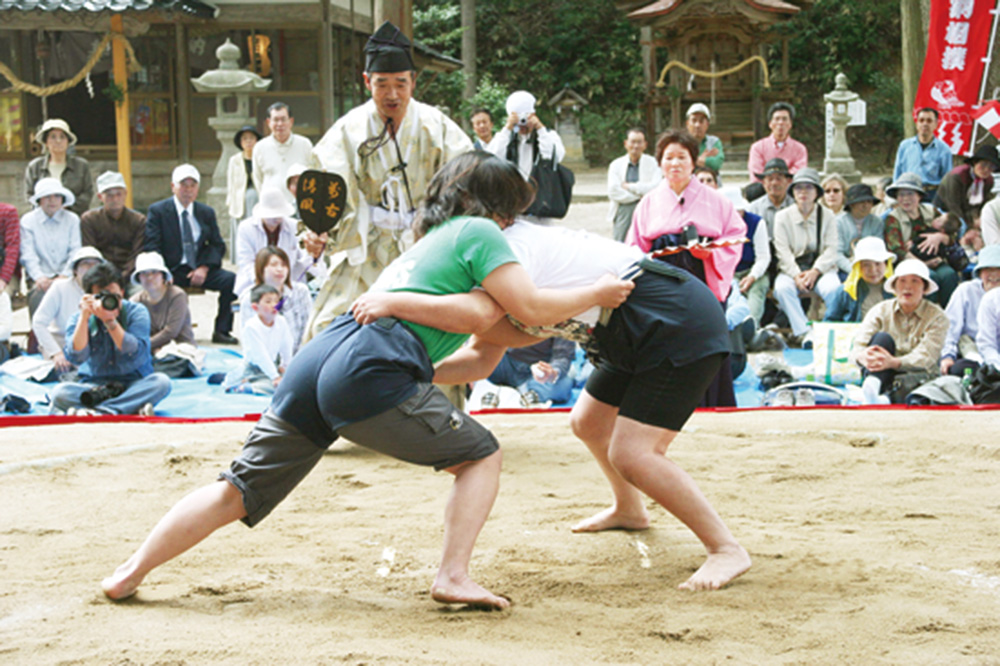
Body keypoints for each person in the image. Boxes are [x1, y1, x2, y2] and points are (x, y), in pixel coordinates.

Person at [100, 151, 632, 609]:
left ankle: (129, 571)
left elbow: (480, 356)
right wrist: (597, 294)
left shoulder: (428, 245)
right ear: (495, 207)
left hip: (325, 356)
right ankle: (452, 575)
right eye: (512, 210)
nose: (515, 222)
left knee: (235, 490)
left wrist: (427, 363)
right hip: (373, 362)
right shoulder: (481, 232)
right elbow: (518, 308)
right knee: (482, 455)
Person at [355, 158, 750, 591]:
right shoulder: (485, 259)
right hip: (620, 333)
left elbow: (527, 311)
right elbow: (482, 358)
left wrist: (394, 306)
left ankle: (725, 548)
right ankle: (630, 509)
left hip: (670, 317)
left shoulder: (509, 247)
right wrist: (416, 373)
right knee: (589, 423)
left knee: (634, 453)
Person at [305, 20, 473, 342]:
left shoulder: (437, 126)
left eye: (400, 83)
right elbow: (325, 184)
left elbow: (469, 176)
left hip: (425, 241)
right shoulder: (348, 130)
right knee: (327, 329)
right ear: (367, 81)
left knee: (435, 331)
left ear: (413, 81)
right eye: (382, 84)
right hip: (367, 241)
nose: (392, 94)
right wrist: (317, 230)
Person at [627, 129, 745, 406]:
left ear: (693, 161)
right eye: (669, 158)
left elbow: (736, 235)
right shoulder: (648, 202)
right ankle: (663, 405)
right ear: (660, 163)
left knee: (705, 340)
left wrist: (711, 253)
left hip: (702, 273)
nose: (675, 163)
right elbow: (634, 247)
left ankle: (709, 402)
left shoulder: (716, 200)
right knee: (663, 340)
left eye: (682, 157)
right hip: (661, 276)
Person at [50, 261, 171, 416]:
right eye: (101, 297)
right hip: (95, 385)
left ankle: (100, 411)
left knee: (161, 383)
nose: (109, 302)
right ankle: (129, 408)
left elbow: (135, 352)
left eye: (114, 296)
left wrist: (110, 322)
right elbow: (77, 356)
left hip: (133, 382)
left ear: (122, 292)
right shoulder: (79, 318)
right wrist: (84, 318)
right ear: (88, 297)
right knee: (60, 393)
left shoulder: (136, 312)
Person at [144, 164, 237, 344]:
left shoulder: (205, 212)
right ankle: (167, 331)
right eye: (183, 185)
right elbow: (152, 245)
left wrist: (204, 267)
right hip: (172, 269)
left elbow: (217, 245)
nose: (188, 190)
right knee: (157, 285)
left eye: (192, 185)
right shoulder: (158, 211)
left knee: (231, 280)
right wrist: (162, 272)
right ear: (173, 186)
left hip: (199, 268)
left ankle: (222, 330)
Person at [850, 259, 948, 404]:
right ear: (895, 287)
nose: (908, 287)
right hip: (881, 372)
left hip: (917, 375)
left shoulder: (937, 316)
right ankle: (872, 386)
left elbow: (927, 356)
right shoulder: (880, 310)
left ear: (924, 288)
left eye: (915, 281)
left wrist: (894, 362)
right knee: (882, 339)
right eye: (902, 281)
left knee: (918, 388)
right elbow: (858, 345)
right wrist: (862, 357)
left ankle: (884, 399)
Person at [772, 167, 840, 346]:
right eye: (798, 188)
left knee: (834, 289)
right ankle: (804, 331)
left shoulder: (827, 215)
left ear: (816, 192)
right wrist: (796, 275)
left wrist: (815, 271)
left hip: (821, 268)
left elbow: (831, 249)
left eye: (809, 187)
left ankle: (829, 330)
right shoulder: (782, 217)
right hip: (793, 269)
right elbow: (782, 251)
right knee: (782, 288)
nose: (803, 192)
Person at [883, 172, 960, 306]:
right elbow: (896, 249)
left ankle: (948, 313)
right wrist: (922, 264)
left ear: (919, 196)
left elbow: (952, 232)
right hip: (909, 262)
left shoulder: (931, 211)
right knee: (929, 277)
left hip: (935, 258)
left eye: (910, 194)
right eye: (901, 195)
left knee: (949, 275)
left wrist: (940, 237)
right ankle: (924, 313)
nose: (905, 199)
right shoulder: (893, 218)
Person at [234, 187, 324, 296]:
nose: (276, 218)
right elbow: (246, 262)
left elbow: (308, 260)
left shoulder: (295, 227)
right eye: (272, 215)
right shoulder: (246, 228)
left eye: (279, 214)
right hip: (255, 283)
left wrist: (315, 254)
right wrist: (264, 283)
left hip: (290, 285)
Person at [32, 246, 103, 374]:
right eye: (85, 264)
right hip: (60, 341)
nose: (91, 268)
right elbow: (39, 322)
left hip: (92, 344)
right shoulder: (60, 287)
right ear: (75, 270)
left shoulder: (105, 289)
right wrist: (56, 353)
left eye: (95, 264)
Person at [19, 177, 81, 318]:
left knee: (72, 301)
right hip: (39, 277)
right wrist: (40, 277)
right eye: (47, 196)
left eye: (57, 196)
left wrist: (65, 275)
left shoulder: (72, 219)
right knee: (38, 298)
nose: (52, 200)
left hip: (68, 275)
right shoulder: (28, 221)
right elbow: (28, 254)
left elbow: (75, 251)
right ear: (39, 200)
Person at [239, 246, 312, 354]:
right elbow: (249, 341)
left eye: (284, 265)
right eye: (273, 265)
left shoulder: (300, 291)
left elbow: (307, 330)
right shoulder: (249, 297)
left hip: (298, 356)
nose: (280, 269)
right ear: (261, 269)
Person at [80, 171, 146, 291]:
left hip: (130, 277)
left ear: (125, 194)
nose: (115, 199)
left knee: (141, 291)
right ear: (100, 197)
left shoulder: (138, 220)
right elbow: (91, 253)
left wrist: (123, 276)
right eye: (109, 195)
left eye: (118, 194)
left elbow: (137, 254)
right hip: (99, 276)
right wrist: (107, 277)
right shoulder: (89, 220)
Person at [940, 245, 1000, 376]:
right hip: (972, 351)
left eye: (998, 269)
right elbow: (950, 327)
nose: (994, 275)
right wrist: (947, 355)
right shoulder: (966, 291)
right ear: (980, 273)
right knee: (959, 369)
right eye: (988, 269)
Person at [224, 284, 293, 396]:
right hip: (253, 370)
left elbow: (287, 345)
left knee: (294, 383)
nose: (274, 305)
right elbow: (260, 355)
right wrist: (275, 377)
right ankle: (245, 386)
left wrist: (285, 365)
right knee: (278, 388)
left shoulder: (282, 321)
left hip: (273, 365)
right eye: (268, 302)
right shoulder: (251, 327)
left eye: (276, 301)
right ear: (255, 307)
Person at [488, 90, 566, 184]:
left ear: (534, 115)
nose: (522, 125)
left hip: (540, 188)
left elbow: (553, 156)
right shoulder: (505, 138)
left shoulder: (548, 135)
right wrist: (507, 128)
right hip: (513, 188)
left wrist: (540, 128)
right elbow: (492, 158)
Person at [933, 144, 999, 250]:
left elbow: (984, 204)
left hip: (968, 213)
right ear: (975, 163)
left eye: (991, 167)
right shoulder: (956, 176)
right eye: (983, 165)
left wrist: (979, 220)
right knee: (961, 227)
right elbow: (953, 206)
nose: (986, 170)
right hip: (945, 212)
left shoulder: (988, 181)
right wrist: (970, 228)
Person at [24, 118, 94, 217]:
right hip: (43, 218)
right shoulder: (35, 167)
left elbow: (88, 193)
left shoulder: (81, 166)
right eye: (53, 137)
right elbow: (29, 195)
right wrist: (47, 207)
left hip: (74, 217)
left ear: (68, 142)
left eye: (62, 137)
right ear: (46, 142)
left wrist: (66, 205)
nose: (58, 141)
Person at [481, 337, 577, 407]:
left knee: (563, 385)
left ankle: (525, 394)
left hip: (540, 373)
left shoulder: (562, 319)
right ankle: (522, 394)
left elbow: (563, 357)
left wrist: (552, 373)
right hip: (507, 363)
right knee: (481, 363)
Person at [130, 251, 195, 356]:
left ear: (163, 275)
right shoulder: (135, 301)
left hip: (180, 349)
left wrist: (143, 345)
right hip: (149, 351)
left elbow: (171, 331)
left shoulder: (177, 296)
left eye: (154, 272)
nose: (149, 277)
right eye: (144, 273)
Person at [606, 127, 661, 242]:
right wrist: (640, 196)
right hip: (623, 210)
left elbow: (656, 188)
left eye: (639, 142)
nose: (636, 146)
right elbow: (613, 191)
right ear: (626, 144)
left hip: (647, 209)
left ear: (645, 145)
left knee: (647, 243)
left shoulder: (654, 163)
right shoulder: (616, 165)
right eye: (633, 142)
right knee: (620, 244)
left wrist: (631, 187)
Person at [252, 103, 313, 206]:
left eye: (283, 119)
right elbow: (258, 179)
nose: (280, 124)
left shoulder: (305, 144)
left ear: (291, 121)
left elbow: (312, 174)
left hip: (300, 205)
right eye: (275, 120)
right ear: (268, 122)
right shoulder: (260, 147)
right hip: (271, 207)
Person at [825, 236, 893, 323]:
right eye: (866, 265)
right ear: (858, 267)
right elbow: (829, 322)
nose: (873, 270)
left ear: (886, 264)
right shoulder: (845, 292)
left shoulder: (895, 291)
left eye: (878, 264)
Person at [893, 107, 953, 201]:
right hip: (908, 192)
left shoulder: (944, 150)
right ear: (917, 124)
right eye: (921, 120)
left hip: (932, 194)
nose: (925, 124)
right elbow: (897, 173)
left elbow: (947, 179)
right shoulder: (905, 146)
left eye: (929, 121)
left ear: (936, 124)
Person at [748, 102, 808, 183]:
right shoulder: (758, 147)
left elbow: (799, 173)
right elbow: (756, 174)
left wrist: (781, 184)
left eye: (784, 119)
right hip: (764, 187)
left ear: (790, 124)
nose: (780, 122)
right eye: (777, 119)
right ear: (770, 124)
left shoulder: (800, 149)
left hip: (790, 188)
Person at [834, 183, 884, 277]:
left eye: (869, 202)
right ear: (852, 205)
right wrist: (854, 269)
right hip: (844, 268)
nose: (866, 205)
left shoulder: (877, 222)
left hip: (872, 268)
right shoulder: (838, 223)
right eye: (861, 202)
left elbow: (879, 249)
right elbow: (837, 253)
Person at [746, 157, 793, 240]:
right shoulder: (754, 209)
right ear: (763, 183)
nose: (774, 183)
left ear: (788, 181)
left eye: (779, 179)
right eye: (770, 179)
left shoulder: (795, 206)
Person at [226, 125, 262, 223]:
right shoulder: (234, 160)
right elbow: (231, 183)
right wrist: (230, 201)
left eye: (251, 138)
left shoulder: (261, 158)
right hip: (239, 198)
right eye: (245, 139)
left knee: (252, 195)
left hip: (258, 197)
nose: (248, 141)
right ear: (241, 142)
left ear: (256, 141)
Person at [685, 103, 725, 174]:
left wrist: (692, 161)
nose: (697, 125)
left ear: (707, 124)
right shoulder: (681, 143)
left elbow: (716, 163)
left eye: (701, 121)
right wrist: (702, 160)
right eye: (694, 120)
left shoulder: (714, 142)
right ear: (687, 124)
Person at [0, 202, 19, 299]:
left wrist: (3, 280)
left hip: (5, 274)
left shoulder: (8, 212)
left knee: (2, 298)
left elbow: (12, 249)